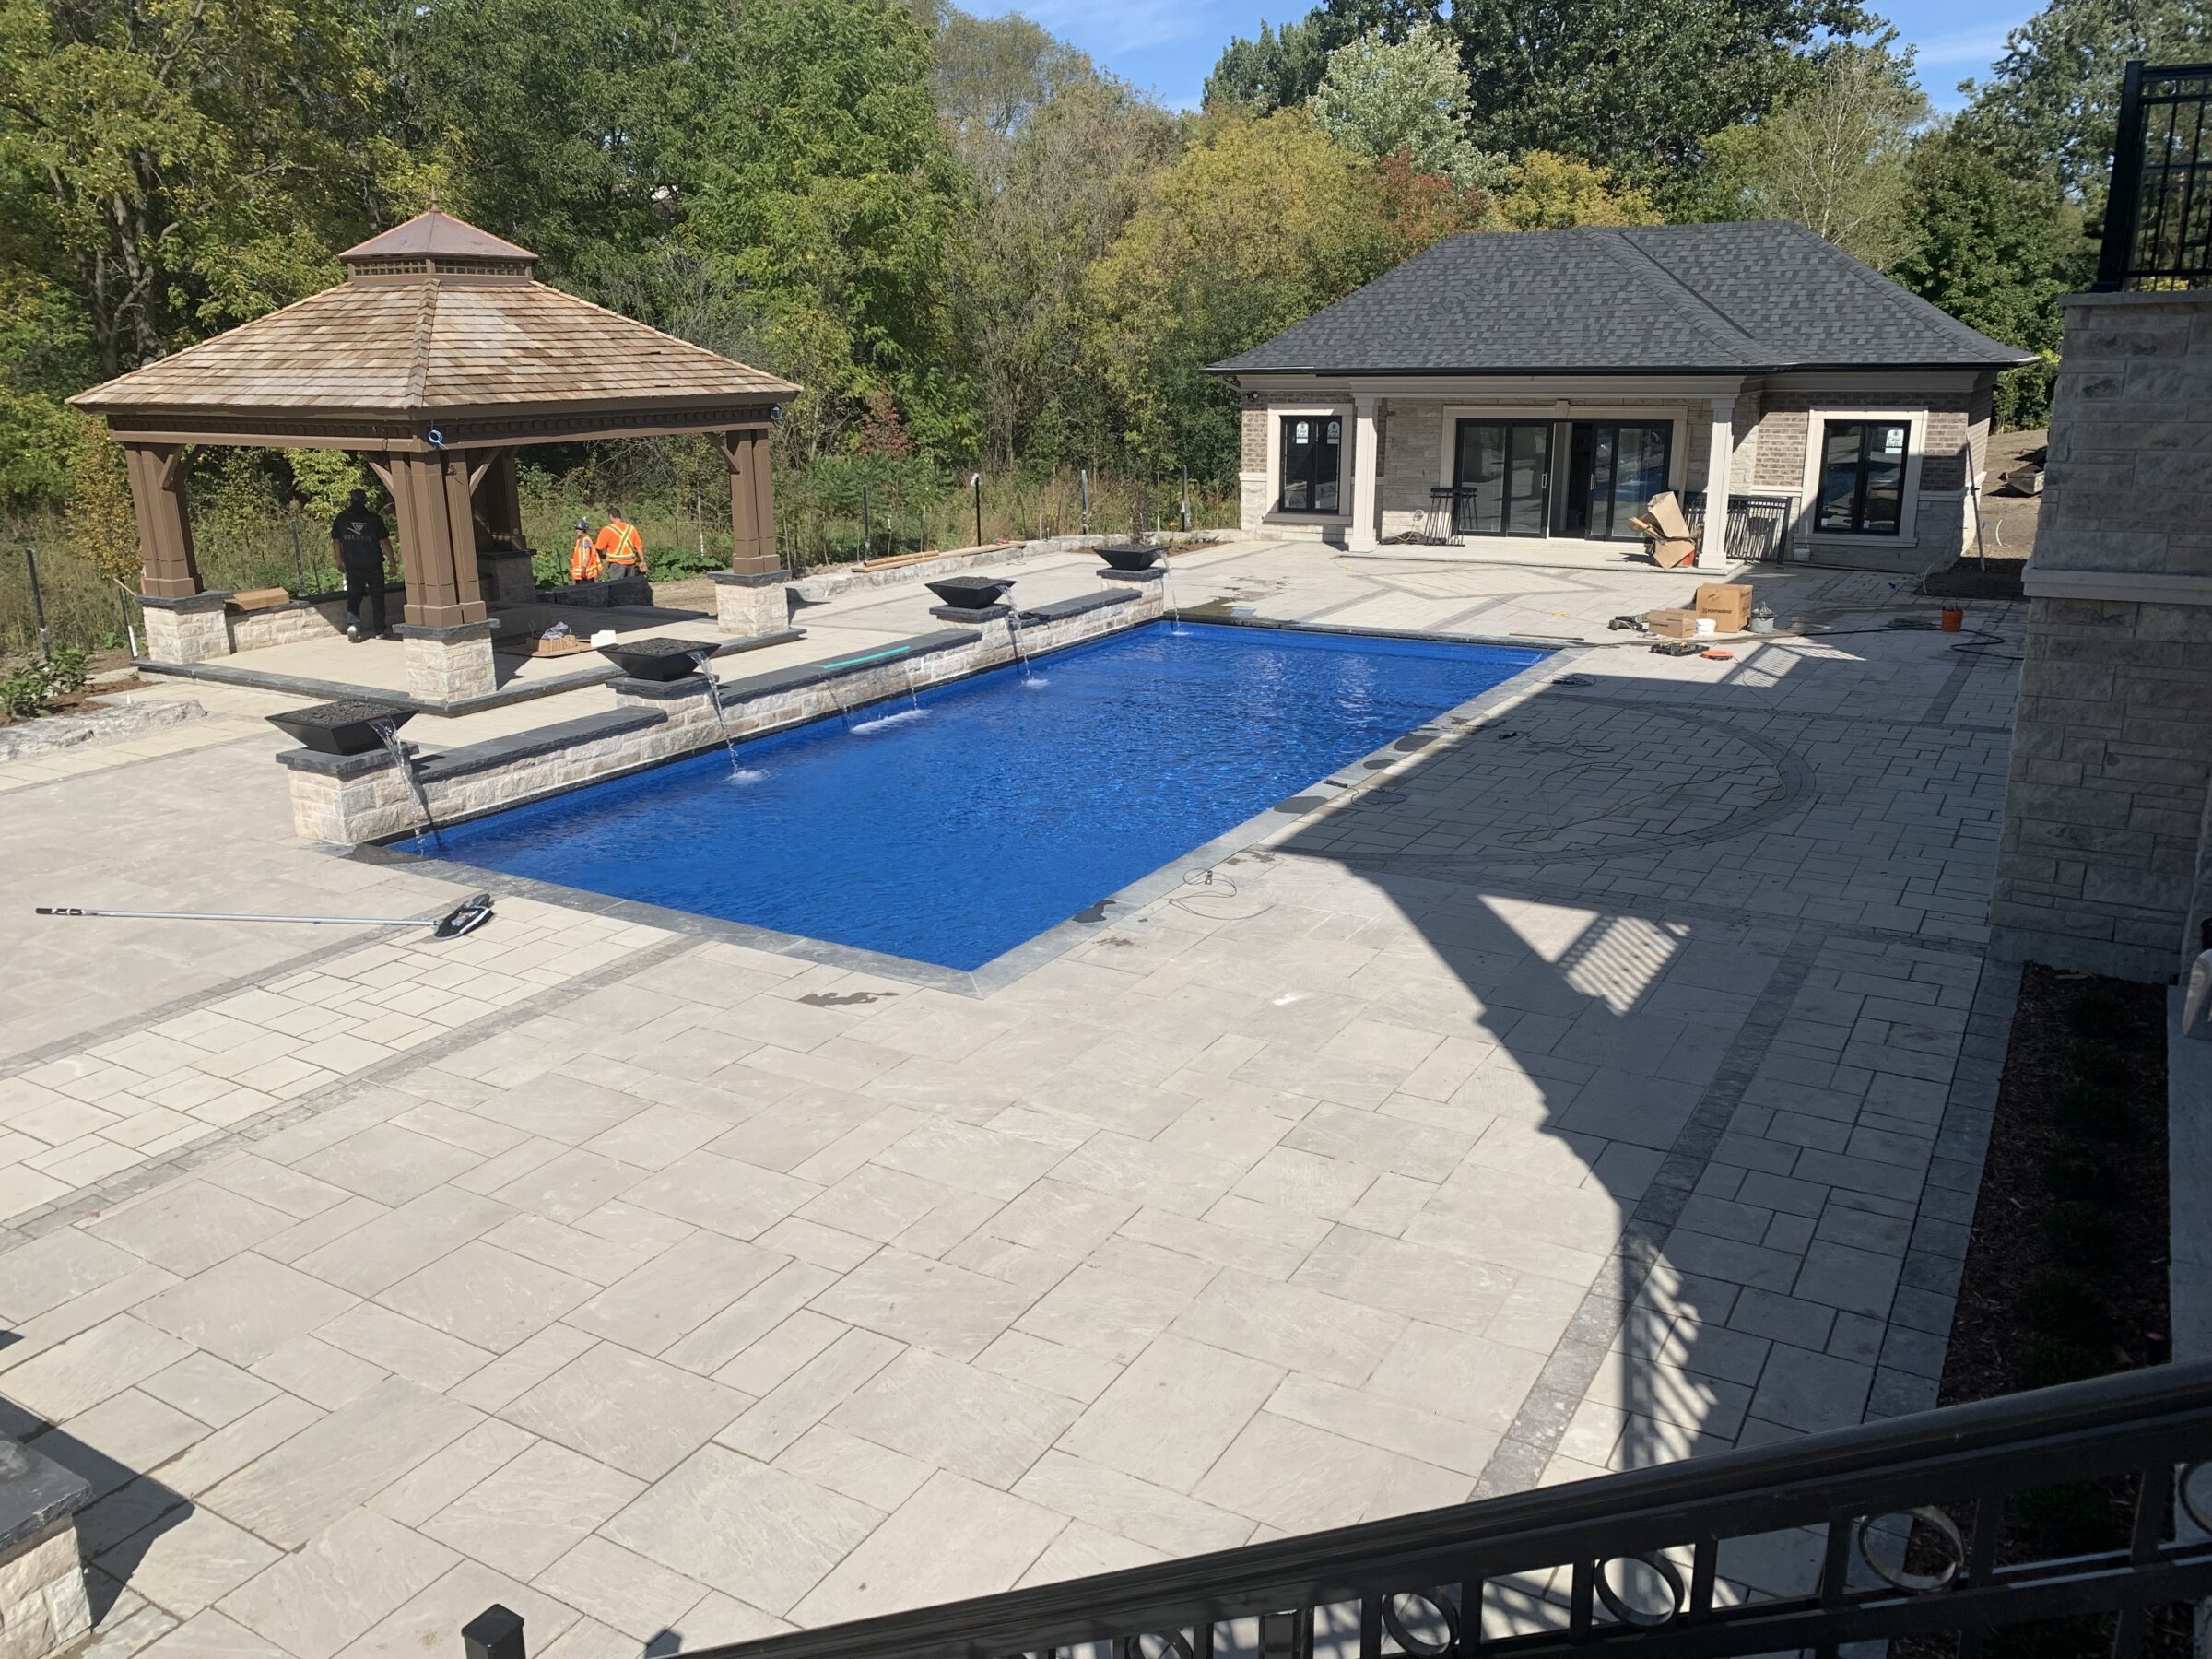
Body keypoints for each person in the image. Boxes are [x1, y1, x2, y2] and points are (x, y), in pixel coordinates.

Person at [331, 489, 395, 641]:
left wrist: (339, 560)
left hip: (352, 565)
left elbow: (336, 540)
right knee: (377, 598)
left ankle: (353, 625)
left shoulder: (341, 518)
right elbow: (384, 542)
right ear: (365, 501)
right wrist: (393, 563)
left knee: (354, 597)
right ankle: (380, 631)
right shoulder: (374, 519)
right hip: (373, 564)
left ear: (350, 500)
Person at [594, 507, 646, 582]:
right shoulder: (631, 528)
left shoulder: (607, 530)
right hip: (631, 564)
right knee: (630, 588)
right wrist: (642, 561)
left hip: (617, 565)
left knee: (617, 588)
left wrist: (602, 556)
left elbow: (598, 548)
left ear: (611, 516)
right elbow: (639, 547)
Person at [569, 518, 602, 584]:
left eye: (579, 529)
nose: (577, 530)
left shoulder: (586, 540)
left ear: (584, 530)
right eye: (576, 529)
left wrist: (584, 569)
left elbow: (587, 555)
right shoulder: (578, 541)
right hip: (579, 574)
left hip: (585, 573)